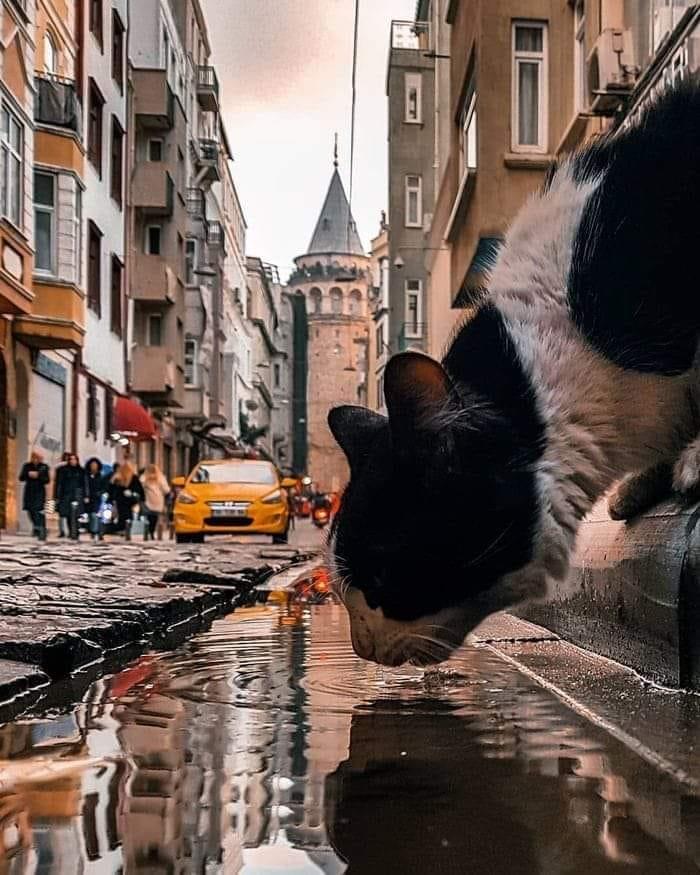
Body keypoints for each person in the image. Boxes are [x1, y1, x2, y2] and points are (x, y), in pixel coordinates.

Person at [109, 460, 145, 540]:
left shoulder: (119, 477)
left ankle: (124, 530)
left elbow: (112, 489)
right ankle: (125, 530)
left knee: (124, 515)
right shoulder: (119, 477)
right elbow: (139, 489)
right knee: (126, 515)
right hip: (126, 501)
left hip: (124, 501)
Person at [19, 451, 50, 541]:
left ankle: (41, 529)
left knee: (38, 510)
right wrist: (28, 474)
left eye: (38, 458)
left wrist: (38, 475)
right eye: (34, 458)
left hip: (39, 492)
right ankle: (36, 527)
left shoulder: (44, 467)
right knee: (30, 510)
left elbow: (47, 480)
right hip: (29, 491)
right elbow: (21, 477)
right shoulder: (27, 466)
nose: (36, 460)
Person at [55, 453, 86, 540]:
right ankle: (70, 531)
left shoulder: (81, 471)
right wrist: (57, 496)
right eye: (71, 459)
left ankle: (75, 531)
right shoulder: (63, 470)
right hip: (66, 495)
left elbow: (84, 484)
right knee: (67, 515)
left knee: (77, 515)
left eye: (74, 459)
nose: (73, 461)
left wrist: (85, 495)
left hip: (77, 495)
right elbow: (59, 484)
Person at [140, 463, 171, 541]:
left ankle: (149, 531)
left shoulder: (144, 478)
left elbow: (140, 487)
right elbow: (166, 490)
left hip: (148, 501)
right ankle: (152, 532)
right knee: (155, 518)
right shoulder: (161, 478)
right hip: (158, 501)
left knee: (149, 517)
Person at [84, 457, 107, 542]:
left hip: (97, 498)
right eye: (92, 465)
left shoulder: (100, 476)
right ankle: (94, 531)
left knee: (96, 515)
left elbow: (104, 486)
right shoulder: (86, 476)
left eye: (95, 465)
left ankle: (96, 531)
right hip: (88, 498)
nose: (94, 467)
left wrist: (100, 493)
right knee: (91, 516)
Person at [53, 451, 71, 538]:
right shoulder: (60, 469)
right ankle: (65, 531)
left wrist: (56, 495)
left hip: (63, 494)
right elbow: (58, 483)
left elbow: (57, 483)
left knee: (63, 514)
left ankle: (63, 531)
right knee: (64, 514)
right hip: (63, 495)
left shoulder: (59, 469)